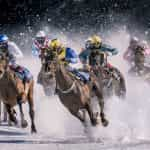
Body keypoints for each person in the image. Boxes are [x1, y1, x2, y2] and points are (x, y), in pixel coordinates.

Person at [0, 34, 33, 100]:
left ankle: (25, 92)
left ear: (7, 42)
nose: (2, 45)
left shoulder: (12, 45)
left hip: (14, 65)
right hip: (3, 67)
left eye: (4, 43)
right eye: (1, 44)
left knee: (26, 74)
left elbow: (21, 54)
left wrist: (14, 56)